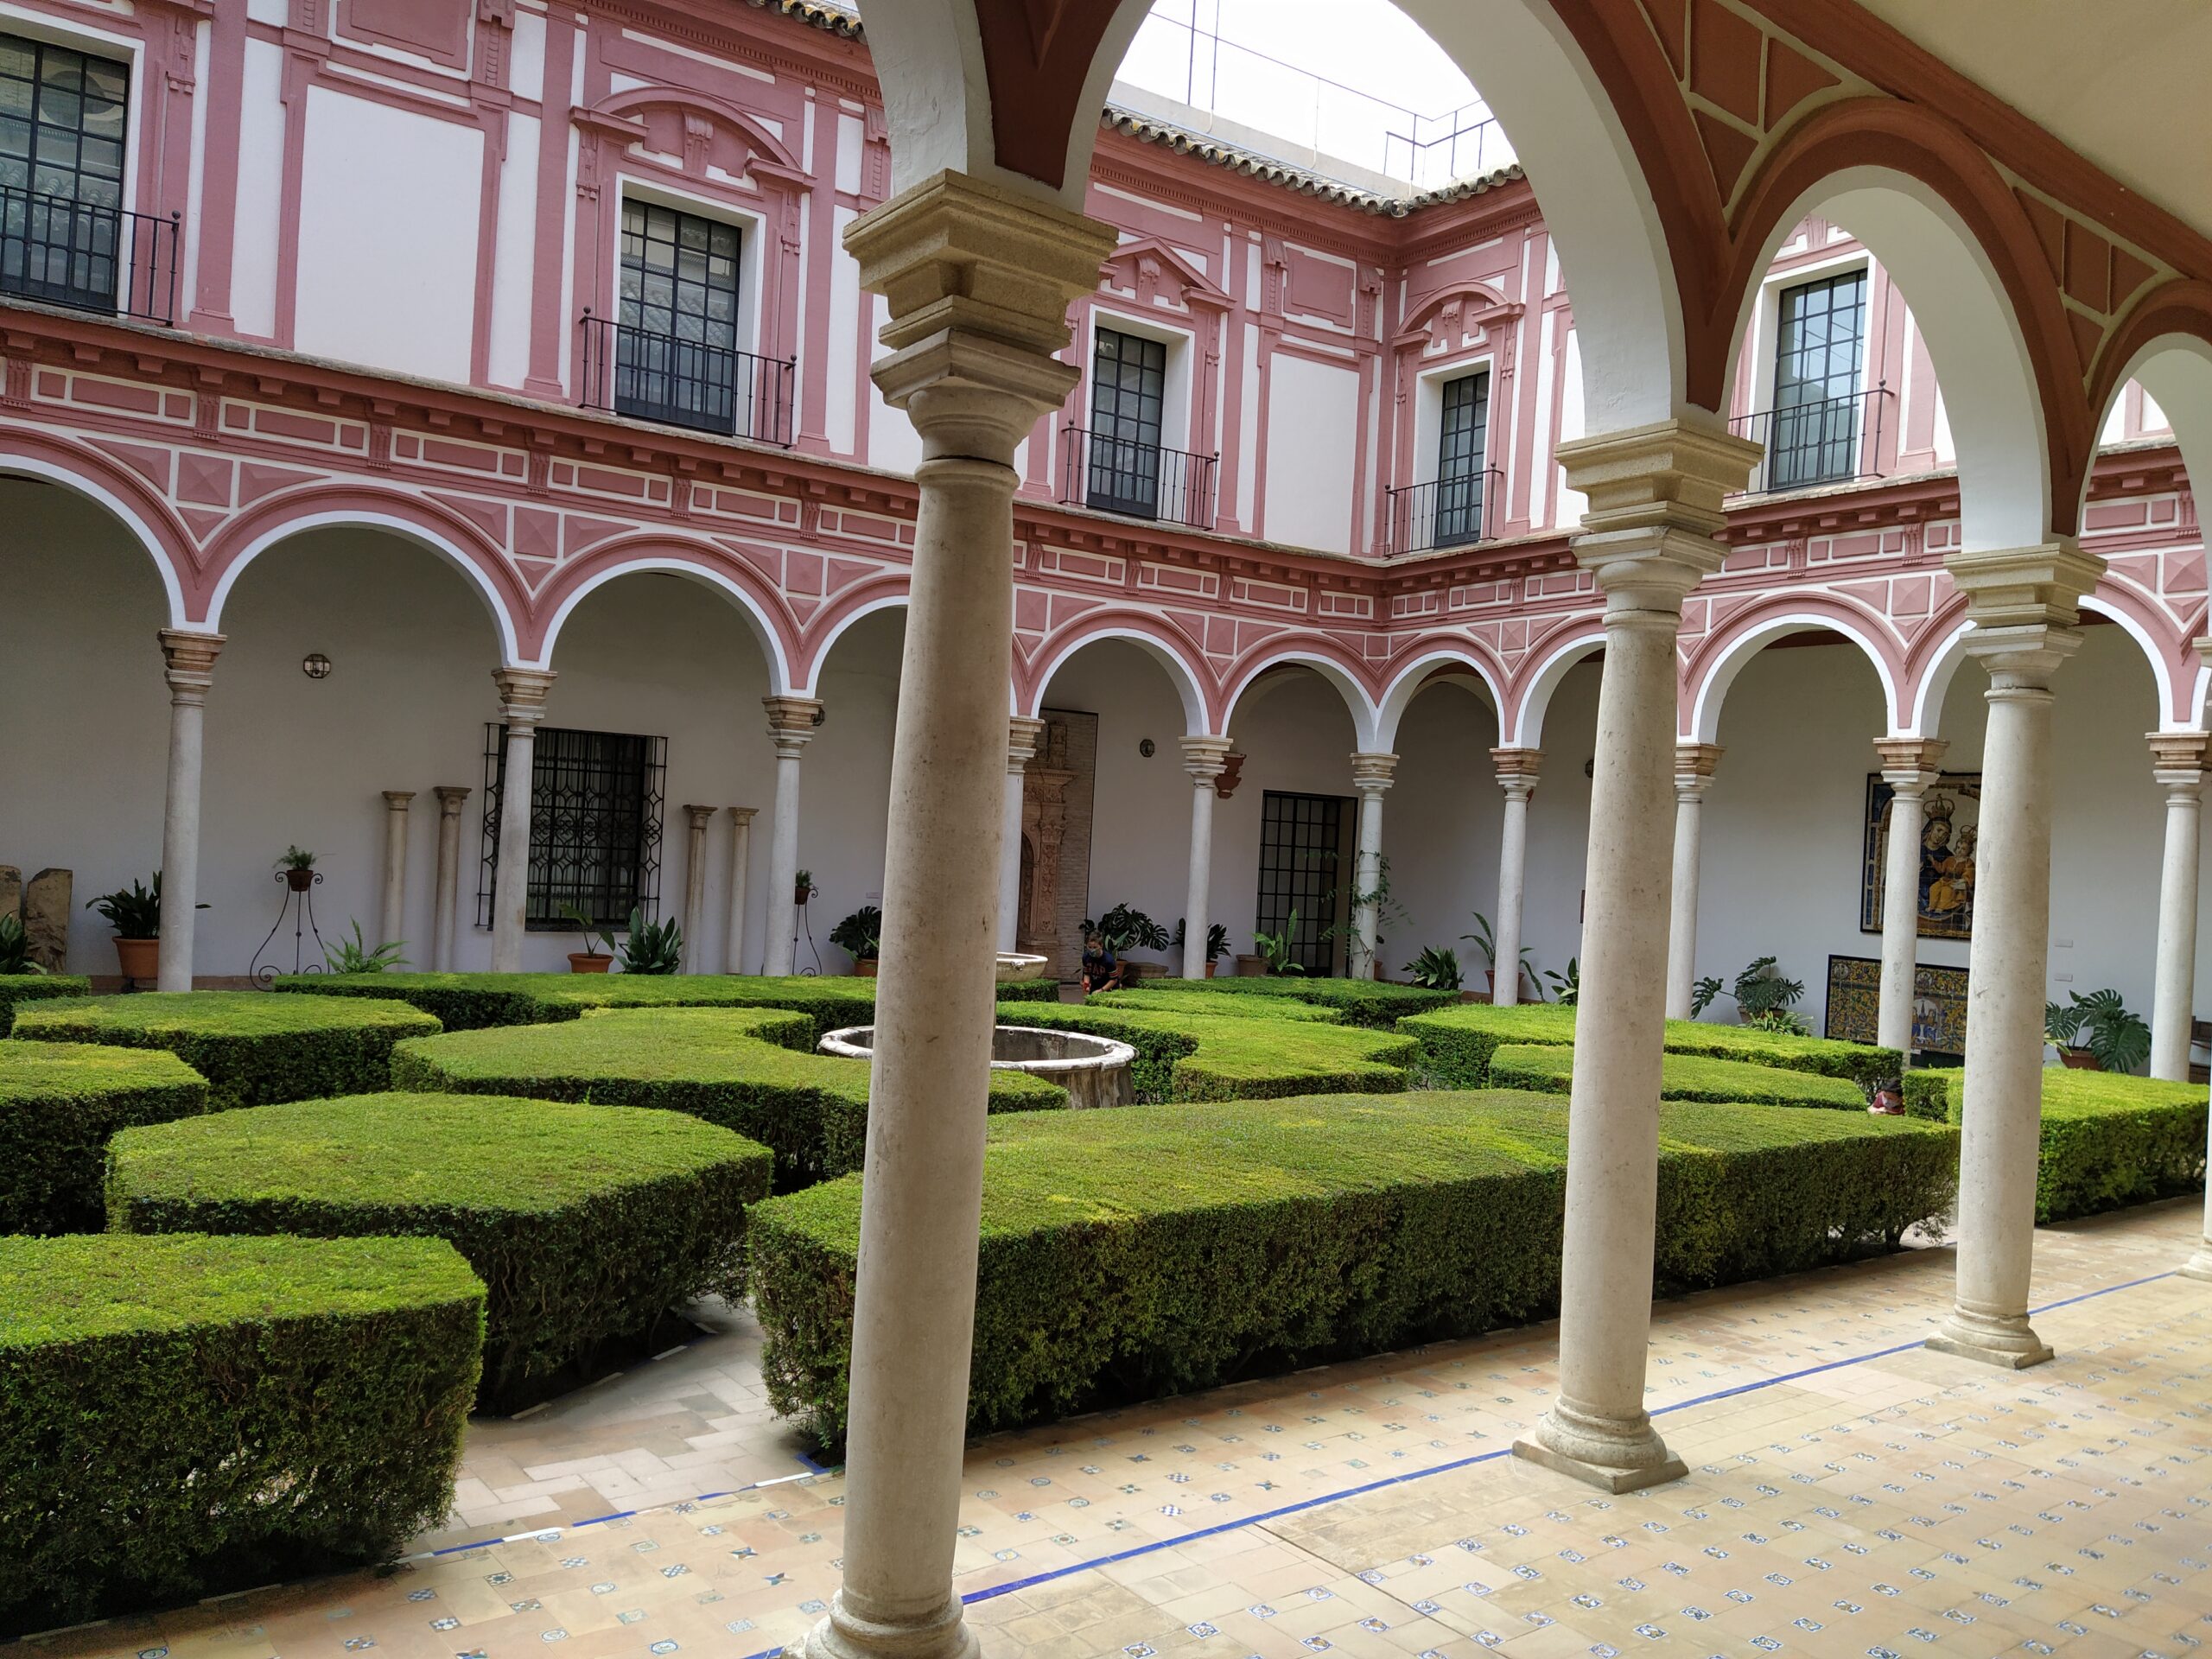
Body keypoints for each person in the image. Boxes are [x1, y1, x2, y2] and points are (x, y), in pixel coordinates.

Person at [1080, 931, 1122, 995]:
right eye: (1090, 947)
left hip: (1111, 989)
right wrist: (1086, 985)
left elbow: (1114, 980)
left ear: (1101, 946)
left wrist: (1101, 990)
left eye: (1095, 947)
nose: (1092, 950)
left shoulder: (1109, 960)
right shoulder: (1086, 957)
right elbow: (1087, 973)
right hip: (1095, 987)